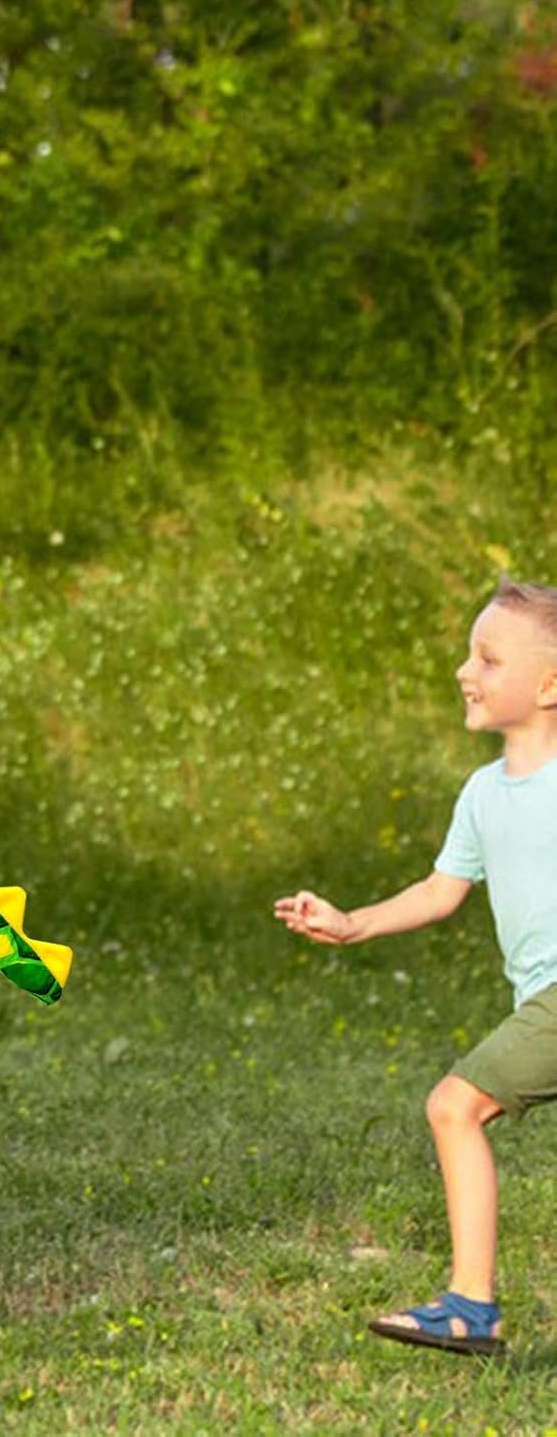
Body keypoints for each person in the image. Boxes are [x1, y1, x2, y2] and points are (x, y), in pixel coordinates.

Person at [274, 578, 557, 1358]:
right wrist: (352, 923)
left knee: (454, 1106)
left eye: (488, 659)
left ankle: (470, 1307)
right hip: (540, 997)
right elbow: (441, 891)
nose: (465, 671)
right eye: (469, 654)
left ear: (549, 685)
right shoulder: (483, 793)